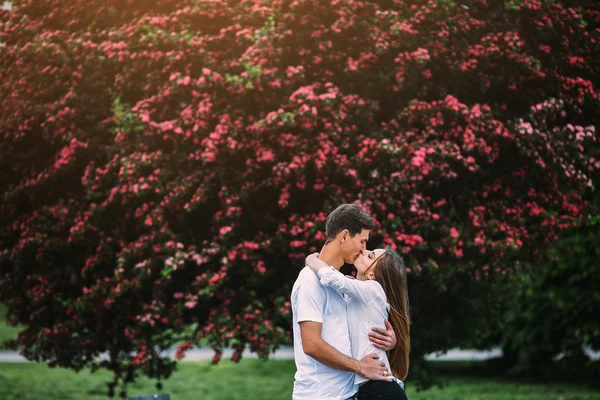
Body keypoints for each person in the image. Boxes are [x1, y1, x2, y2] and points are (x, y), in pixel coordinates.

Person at [291, 204, 397, 400]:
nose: (364, 249)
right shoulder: (310, 282)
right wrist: (360, 367)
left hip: (346, 393)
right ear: (345, 236)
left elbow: (358, 326)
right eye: (362, 242)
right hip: (321, 395)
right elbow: (312, 345)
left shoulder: (344, 285)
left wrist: (389, 341)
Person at [305, 247, 410, 400]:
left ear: (372, 275)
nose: (363, 251)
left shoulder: (373, 289)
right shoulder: (358, 296)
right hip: (371, 389)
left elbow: (332, 278)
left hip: (379, 390)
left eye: (370, 256)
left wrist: (311, 260)